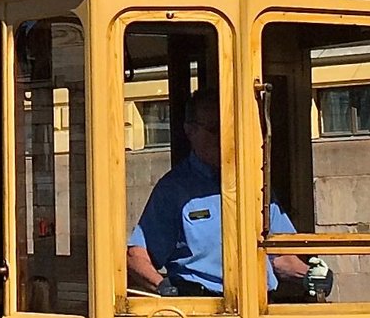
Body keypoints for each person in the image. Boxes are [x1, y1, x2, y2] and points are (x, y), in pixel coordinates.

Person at [125, 96, 308, 298]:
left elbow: (281, 257)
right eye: (214, 129)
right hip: (202, 311)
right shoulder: (174, 190)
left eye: (230, 128)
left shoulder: (255, 185)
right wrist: (165, 288)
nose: (223, 137)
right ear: (190, 130)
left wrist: (312, 276)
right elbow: (136, 256)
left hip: (260, 306)